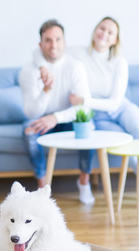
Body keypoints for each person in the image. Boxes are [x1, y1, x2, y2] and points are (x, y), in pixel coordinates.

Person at [63, 16, 139, 208]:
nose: (104, 34)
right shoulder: (77, 54)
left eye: (110, 32)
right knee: (126, 147)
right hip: (97, 114)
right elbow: (50, 54)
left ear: (115, 40)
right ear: (95, 30)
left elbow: (115, 103)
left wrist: (84, 100)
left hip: (121, 107)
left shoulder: (119, 62)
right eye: (102, 28)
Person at [19, 19, 96, 204]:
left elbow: (83, 108)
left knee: (89, 128)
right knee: (29, 131)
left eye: (58, 39)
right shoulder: (28, 71)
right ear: (40, 44)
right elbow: (31, 113)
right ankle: (43, 188)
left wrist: (56, 117)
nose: (53, 45)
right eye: (48, 40)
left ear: (64, 43)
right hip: (42, 119)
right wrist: (46, 89)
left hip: (67, 118)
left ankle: (84, 182)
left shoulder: (75, 67)